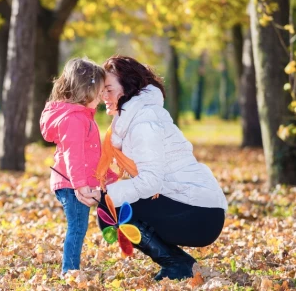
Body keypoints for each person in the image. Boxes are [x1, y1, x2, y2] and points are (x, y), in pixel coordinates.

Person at [90, 55, 228, 281]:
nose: (103, 95)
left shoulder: (144, 122)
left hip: (201, 213)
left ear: (128, 86)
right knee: (109, 208)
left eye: (109, 89)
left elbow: (150, 182)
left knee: (110, 209)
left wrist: (106, 194)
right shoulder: (133, 118)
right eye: (102, 90)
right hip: (192, 205)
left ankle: (176, 264)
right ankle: (181, 264)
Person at [40, 57, 118, 275]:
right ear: (87, 90)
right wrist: (81, 186)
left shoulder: (83, 116)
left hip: (76, 181)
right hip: (71, 184)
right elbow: (73, 156)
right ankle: (70, 271)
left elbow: (92, 154)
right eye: (101, 90)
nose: (104, 96)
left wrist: (108, 176)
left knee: (80, 226)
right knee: (77, 227)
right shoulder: (74, 119)